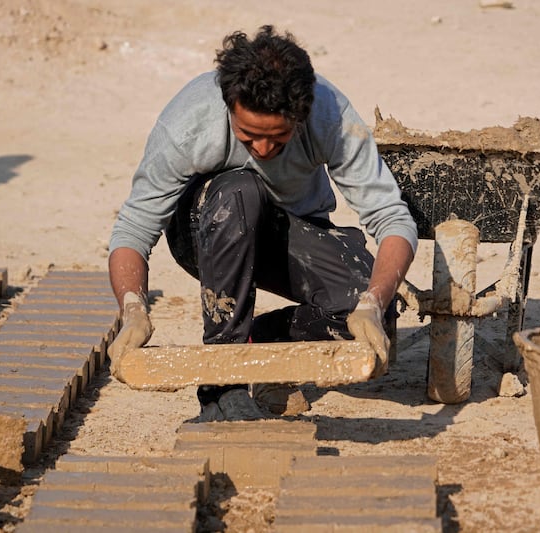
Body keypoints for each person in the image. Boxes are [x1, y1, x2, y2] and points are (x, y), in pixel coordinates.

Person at [107, 25, 417, 421]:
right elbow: (133, 228)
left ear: (301, 117)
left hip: (286, 230)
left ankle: (260, 339)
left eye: (279, 137)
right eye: (249, 136)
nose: (264, 150)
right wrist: (132, 307)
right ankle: (223, 381)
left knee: (375, 315)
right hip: (206, 229)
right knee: (242, 188)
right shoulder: (189, 121)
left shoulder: (330, 115)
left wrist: (373, 302)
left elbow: (392, 218)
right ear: (229, 104)